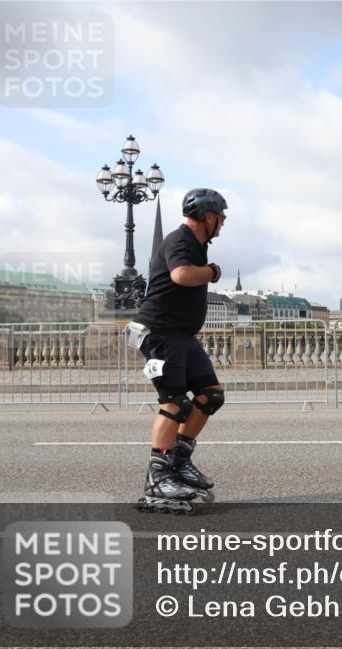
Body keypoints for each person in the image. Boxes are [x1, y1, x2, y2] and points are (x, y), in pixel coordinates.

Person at [130, 188, 228, 513]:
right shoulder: (180, 240)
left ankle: (179, 459)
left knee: (210, 395)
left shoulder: (196, 245)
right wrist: (212, 272)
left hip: (181, 335)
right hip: (158, 332)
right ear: (207, 216)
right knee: (173, 403)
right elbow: (181, 275)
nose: (223, 223)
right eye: (221, 217)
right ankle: (157, 476)